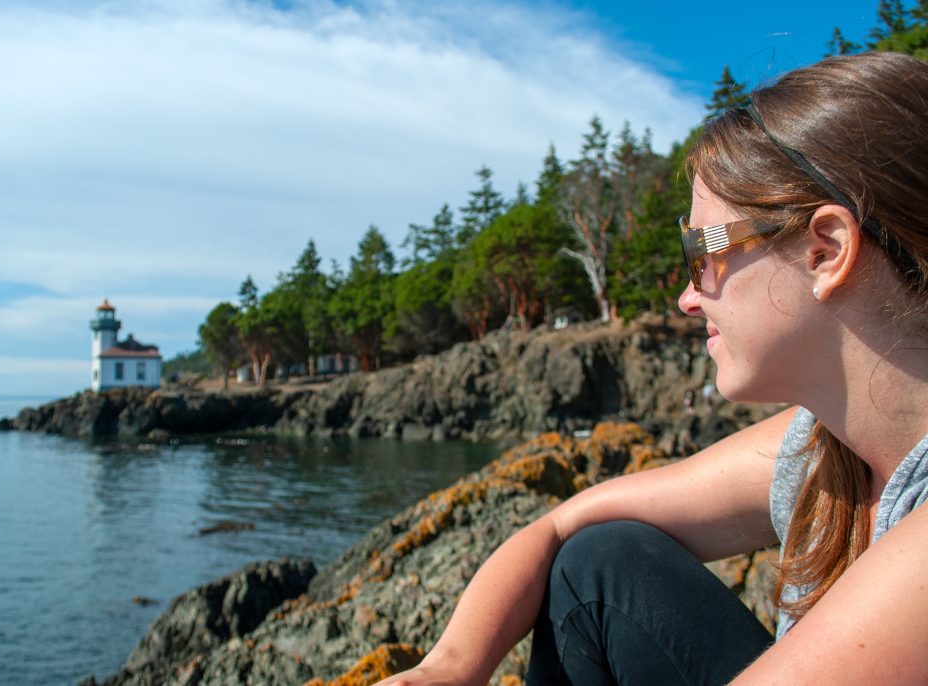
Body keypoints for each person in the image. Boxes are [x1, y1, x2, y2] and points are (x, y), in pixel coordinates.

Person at [377, 51, 928, 685]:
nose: (687, 297)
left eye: (702, 252)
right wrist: (447, 668)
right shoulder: (823, 456)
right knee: (601, 564)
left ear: (823, 251)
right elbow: (562, 524)